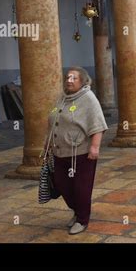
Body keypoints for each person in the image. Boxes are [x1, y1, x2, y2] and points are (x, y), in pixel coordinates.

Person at [47, 66, 108, 235]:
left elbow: (98, 125)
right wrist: (48, 143)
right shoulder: (63, 98)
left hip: (81, 154)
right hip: (60, 153)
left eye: (73, 78)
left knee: (81, 188)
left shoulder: (88, 98)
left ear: (83, 81)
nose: (69, 80)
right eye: (67, 77)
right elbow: (54, 121)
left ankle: (82, 219)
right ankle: (77, 210)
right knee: (62, 184)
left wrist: (95, 147)